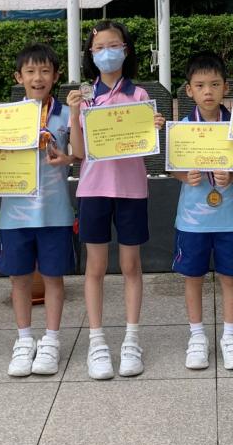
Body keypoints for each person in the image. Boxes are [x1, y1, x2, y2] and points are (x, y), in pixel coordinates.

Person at [67, 21, 167, 380]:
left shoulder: (139, 96)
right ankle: (96, 342)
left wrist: (153, 127)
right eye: (99, 48)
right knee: (94, 268)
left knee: (130, 266)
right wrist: (75, 115)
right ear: (90, 54)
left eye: (114, 46)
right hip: (93, 190)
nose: (106, 53)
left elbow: (147, 147)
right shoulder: (83, 97)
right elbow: (79, 153)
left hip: (131, 190)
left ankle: (131, 339)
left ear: (126, 50)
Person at [0, 44, 78, 378]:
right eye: (30, 71)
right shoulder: (4, 118)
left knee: (53, 278)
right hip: (14, 214)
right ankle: (23, 340)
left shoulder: (66, 114)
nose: (38, 77)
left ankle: (52, 340)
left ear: (56, 76)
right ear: (19, 77)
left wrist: (69, 157)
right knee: (19, 279)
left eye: (45, 71)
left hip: (54, 213)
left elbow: (80, 153)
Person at [169, 52, 233, 371]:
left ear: (225, 88)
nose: (208, 92)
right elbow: (172, 167)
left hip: (231, 217)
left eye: (215, 84)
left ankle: (230, 336)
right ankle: (197, 336)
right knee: (193, 277)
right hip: (192, 220)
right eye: (200, 85)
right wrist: (183, 175)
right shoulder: (183, 128)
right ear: (189, 90)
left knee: (231, 277)